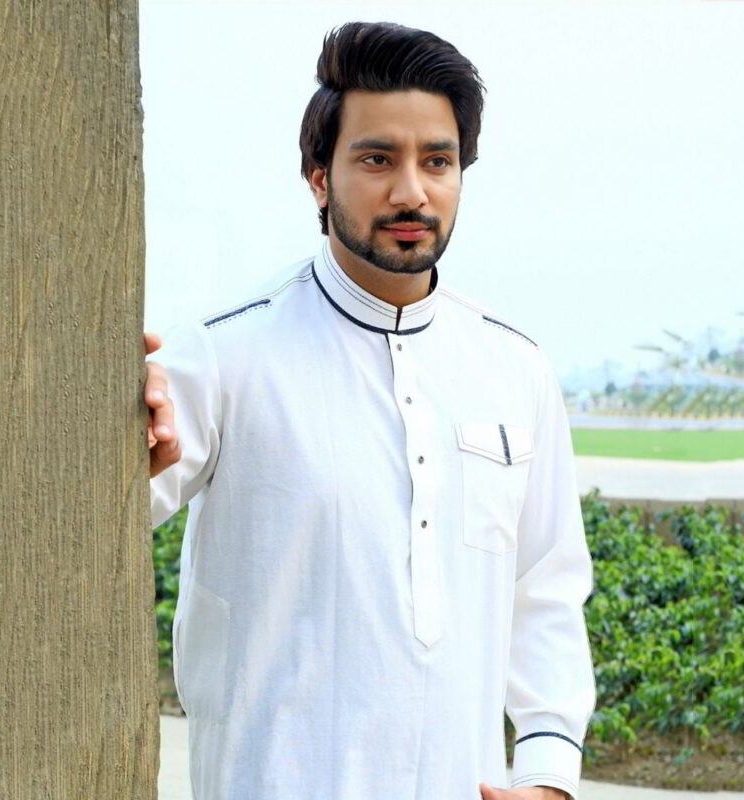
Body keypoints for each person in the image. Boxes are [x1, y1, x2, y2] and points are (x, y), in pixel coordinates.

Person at [144, 21, 597, 800]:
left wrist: (550, 775)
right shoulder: (223, 355)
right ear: (319, 177)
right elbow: (82, 520)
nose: (412, 191)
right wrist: (102, 425)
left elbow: (546, 590)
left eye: (438, 161)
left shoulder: (514, 368)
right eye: (378, 159)